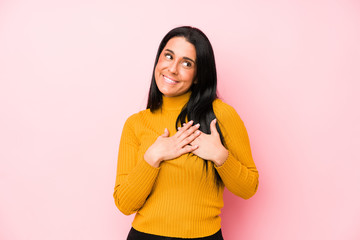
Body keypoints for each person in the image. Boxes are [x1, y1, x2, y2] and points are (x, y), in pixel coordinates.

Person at [113, 26, 259, 240]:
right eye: (168, 56)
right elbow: (124, 204)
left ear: (199, 75)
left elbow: (249, 188)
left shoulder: (220, 115)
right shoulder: (136, 123)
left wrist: (220, 157)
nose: (172, 69)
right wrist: (152, 157)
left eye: (186, 63)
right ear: (158, 60)